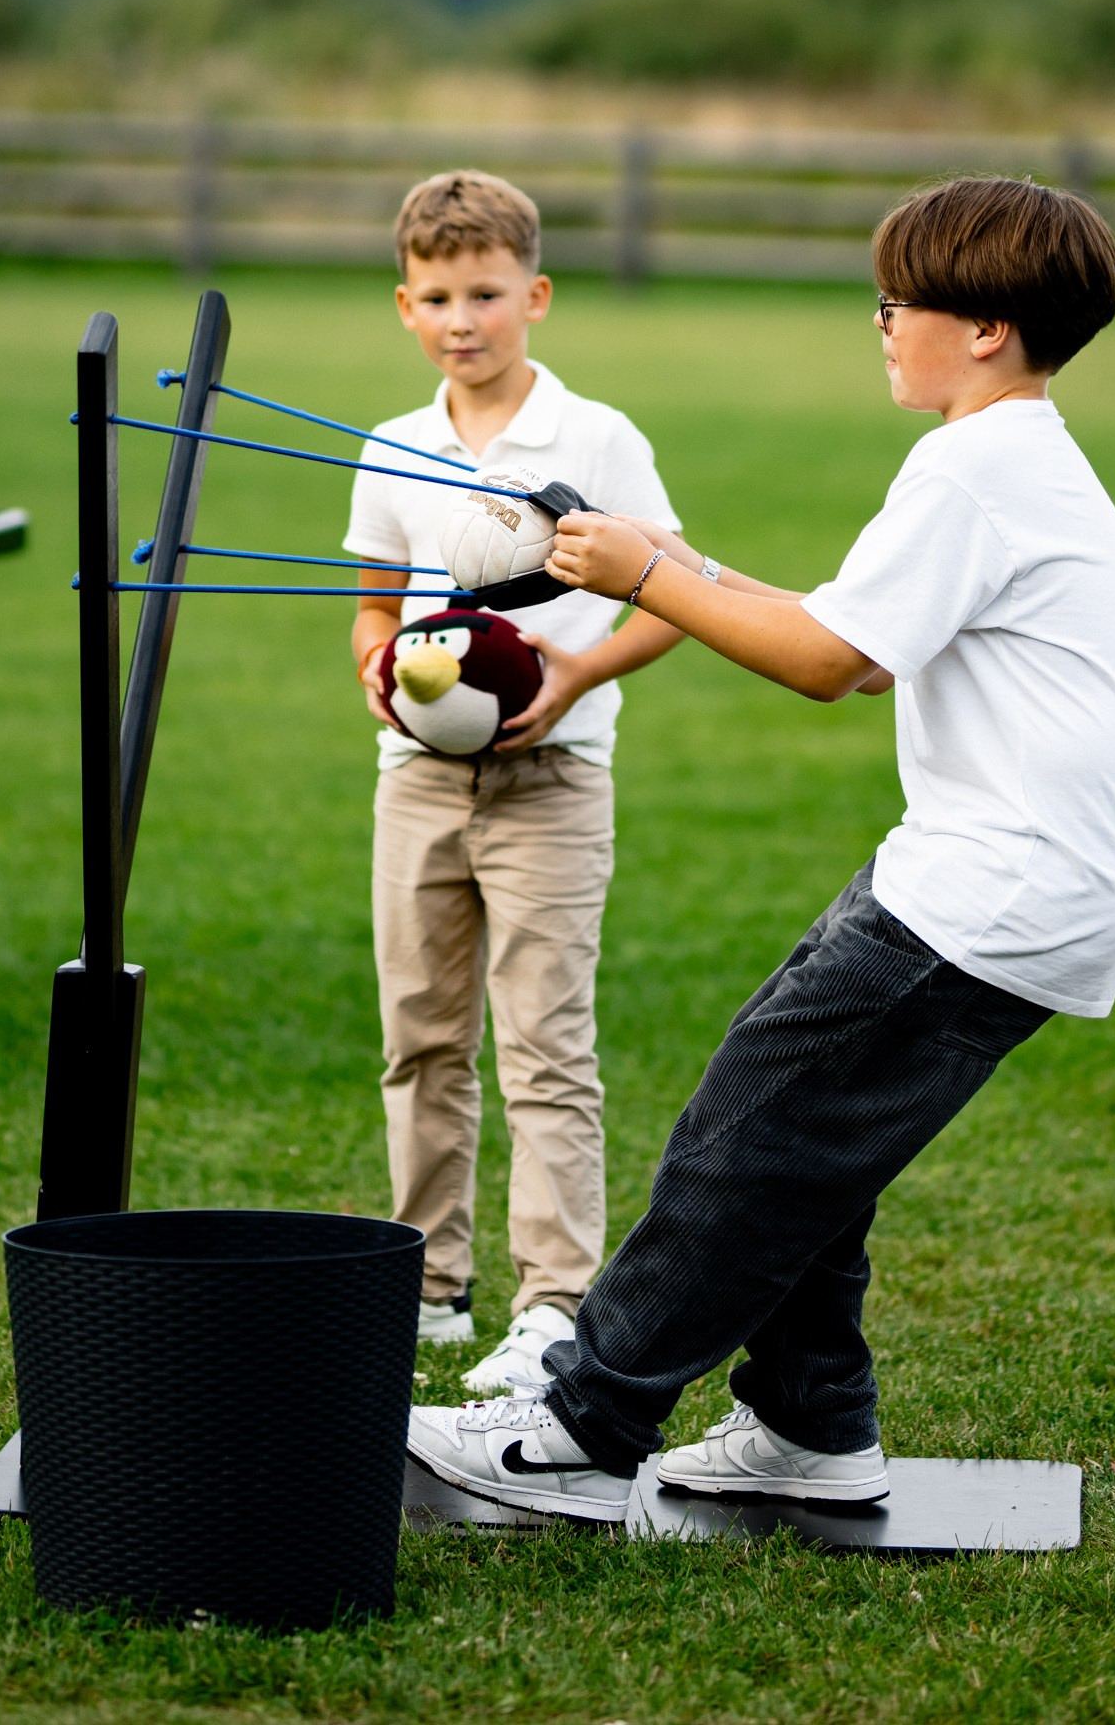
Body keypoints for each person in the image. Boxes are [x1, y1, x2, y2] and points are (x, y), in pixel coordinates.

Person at [407, 174, 1115, 1518]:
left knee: (741, 1140)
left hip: (1000, 883)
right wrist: (657, 557)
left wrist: (645, 578)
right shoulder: (1010, 458)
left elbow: (827, 664)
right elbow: (846, 631)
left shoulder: (974, 468)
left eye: (898, 302)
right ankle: (812, 1426)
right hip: (1004, 872)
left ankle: (585, 1425)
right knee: (809, 1144)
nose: (880, 323)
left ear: (984, 327)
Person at [345, 169, 685, 1393]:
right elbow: (374, 606)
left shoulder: (594, 440)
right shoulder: (390, 446)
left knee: (543, 1039)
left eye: (485, 292)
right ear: (403, 305)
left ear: (532, 295)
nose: (461, 319)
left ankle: (553, 1305)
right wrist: (381, 675)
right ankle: (431, 1285)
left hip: (553, 783)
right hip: (415, 785)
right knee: (419, 1037)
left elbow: (673, 593)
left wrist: (577, 674)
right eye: (436, 296)